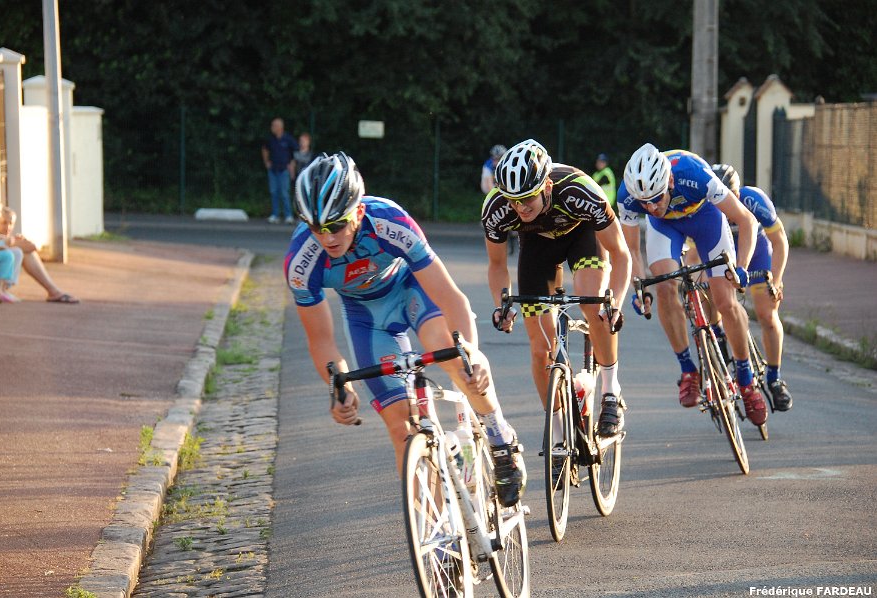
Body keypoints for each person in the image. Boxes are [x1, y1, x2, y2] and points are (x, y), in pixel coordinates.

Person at [284, 152, 526, 507]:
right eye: (316, 227)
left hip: (411, 290)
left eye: (336, 225)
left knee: (453, 358)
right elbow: (321, 341)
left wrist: (472, 354)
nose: (327, 237)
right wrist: (339, 388)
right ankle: (437, 531)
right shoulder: (301, 262)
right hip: (365, 316)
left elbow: (451, 298)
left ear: (358, 212)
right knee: (402, 428)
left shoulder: (389, 220)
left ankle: (498, 436)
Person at [482, 139, 632, 443]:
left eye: (527, 198)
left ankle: (610, 392)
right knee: (541, 350)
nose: (520, 207)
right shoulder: (496, 207)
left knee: (594, 304)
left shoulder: (580, 190)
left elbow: (621, 254)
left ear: (547, 187)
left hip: (583, 235)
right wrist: (502, 304)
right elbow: (497, 266)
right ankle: (560, 432)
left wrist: (614, 302)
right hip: (537, 246)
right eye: (513, 200)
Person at [619, 143, 768, 426]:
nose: (651, 207)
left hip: (705, 219)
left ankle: (746, 381)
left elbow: (745, 220)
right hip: (666, 229)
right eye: (644, 203)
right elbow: (632, 251)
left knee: (725, 301)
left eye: (656, 198)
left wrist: (741, 268)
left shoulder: (694, 174)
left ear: (669, 182)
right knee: (664, 286)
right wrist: (639, 288)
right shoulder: (628, 196)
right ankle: (688, 370)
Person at [709, 163, 792, 410]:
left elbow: (780, 242)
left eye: (731, 196)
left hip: (756, 252)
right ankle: (719, 336)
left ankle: (775, 378)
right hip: (722, 251)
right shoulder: (704, 205)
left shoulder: (753, 199)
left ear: (737, 192)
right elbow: (694, 253)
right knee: (710, 295)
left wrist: (776, 280)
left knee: (767, 313)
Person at [0, 206, 79, 304]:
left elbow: (32, 247)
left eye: (11, 223)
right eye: (4, 222)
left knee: (26, 253)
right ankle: (53, 291)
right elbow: (32, 247)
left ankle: (54, 291)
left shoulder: (6, 237)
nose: (8, 227)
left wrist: (19, 241)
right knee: (21, 252)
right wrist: (19, 242)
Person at [261, 117, 298, 224]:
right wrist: (266, 162)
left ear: (280, 127)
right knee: (274, 192)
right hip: (273, 169)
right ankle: (275, 215)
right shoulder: (270, 139)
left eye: (274, 125)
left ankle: (288, 215)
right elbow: (265, 149)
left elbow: (296, 151)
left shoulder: (288, 139)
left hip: (284, 169)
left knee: (284, 193)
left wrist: (292, 164)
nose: (272, 128)